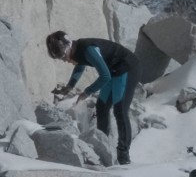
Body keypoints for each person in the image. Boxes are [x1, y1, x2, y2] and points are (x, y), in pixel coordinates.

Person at [47, 30, 135, 160]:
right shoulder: (77, 50)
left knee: (120, 110)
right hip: (113, 70)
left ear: (68, 46)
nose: (65, 60)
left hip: (128, 67)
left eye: (63, 56)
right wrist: (70, 86)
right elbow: (80, 65)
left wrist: (86, 93)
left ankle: (123, 156)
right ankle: (103, 147)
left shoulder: (88, 49)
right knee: (102, 107)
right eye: (61, 58)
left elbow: (105, 76)